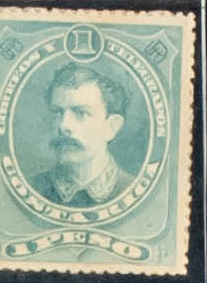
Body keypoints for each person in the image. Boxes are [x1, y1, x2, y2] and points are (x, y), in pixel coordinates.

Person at [32, 59, 133, 206]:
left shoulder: (132, 190)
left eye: (81, 113)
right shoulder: (32, 189)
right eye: (57, 112)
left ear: (112, 127)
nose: (63, 125)